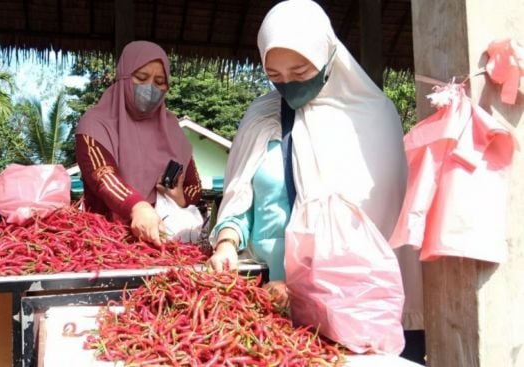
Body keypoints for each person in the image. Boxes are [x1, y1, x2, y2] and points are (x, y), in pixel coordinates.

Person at [206, 0, 423, 362]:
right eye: (275, 75)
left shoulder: (374, 116)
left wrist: (305, 288)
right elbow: (240, 195)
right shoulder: (262, 116)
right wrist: (227, 241)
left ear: (328, 56)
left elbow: (382, 222)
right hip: (265, 305)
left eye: (301, 69)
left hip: (346, 311)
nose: (288, 84)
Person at [75, 41, 202, 245]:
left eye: (160, 81)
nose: (151, 87)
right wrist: (138, 207)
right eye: (141, 78)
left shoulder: (173, 130)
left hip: (164, 242)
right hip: (105, 243)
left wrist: (180, 198)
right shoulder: (95, 124)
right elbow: (103, 176)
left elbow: (194, 186)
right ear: (124, 77)